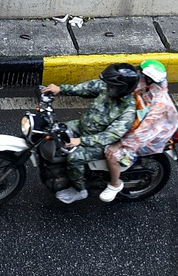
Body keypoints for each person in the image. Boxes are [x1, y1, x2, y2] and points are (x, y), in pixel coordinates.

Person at [37, 62, 140, 203]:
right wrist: (61, 89)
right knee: (53, 131)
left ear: (122, 88)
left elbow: (110, 136)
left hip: (99, 143)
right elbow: (87, 88)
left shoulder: (128, 111)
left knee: (73, 157)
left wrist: (80, 141)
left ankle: (79, 190)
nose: (107, 86)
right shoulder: (108, 87)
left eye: (112, 85)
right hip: (82, 126)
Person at [99, 59, 178, 203]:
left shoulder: (160, 104)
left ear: (149, 79)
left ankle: (115, 184)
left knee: (111, 154)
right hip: (138, 123)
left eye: (141, 74)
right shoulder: (149, 86)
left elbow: (143, 132)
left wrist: (119, 144)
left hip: (149, 137)